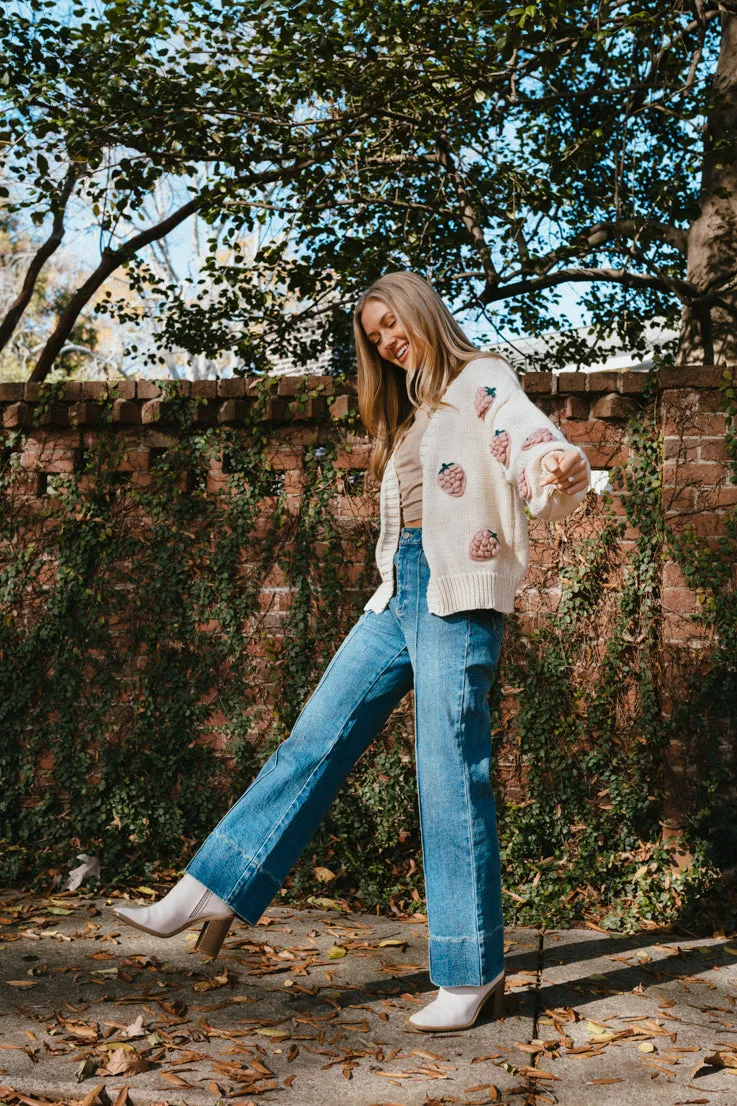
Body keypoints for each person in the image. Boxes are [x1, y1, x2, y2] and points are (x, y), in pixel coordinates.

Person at [111, 271, 591, 1032]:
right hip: (395, 595)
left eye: (393, 326)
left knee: (446, 775)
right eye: (375, 338)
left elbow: (526, 437)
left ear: (422, 313)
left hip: (453, 599)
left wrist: (556, 465)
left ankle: (471, 970)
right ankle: (211, 885)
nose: (388, 342)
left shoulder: (479, 380)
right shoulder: (409, 408)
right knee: (315, 737)